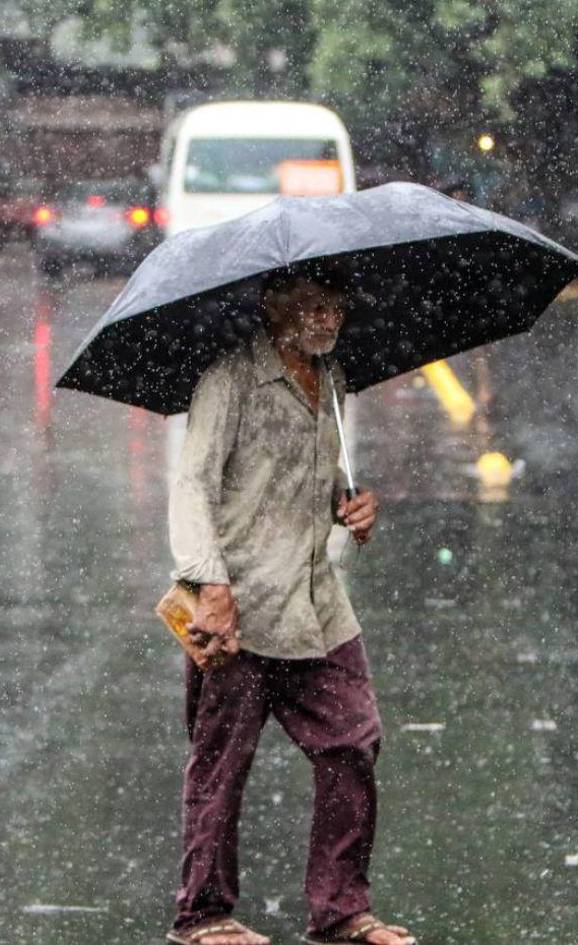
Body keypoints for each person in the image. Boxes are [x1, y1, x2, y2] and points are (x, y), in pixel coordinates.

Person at [165, 263, 415, 945]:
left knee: (353, 742)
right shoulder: (231, 379)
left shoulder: (332, 382)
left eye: (334, 304)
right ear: (274, 304)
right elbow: (191, 485)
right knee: (221, 763)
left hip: (316, 603)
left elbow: (310, 478)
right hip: (238, 604)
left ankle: (340, 912)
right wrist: (207, 584)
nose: (327, 317)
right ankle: (204, 916)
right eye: (311, 303)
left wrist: (348, 504)